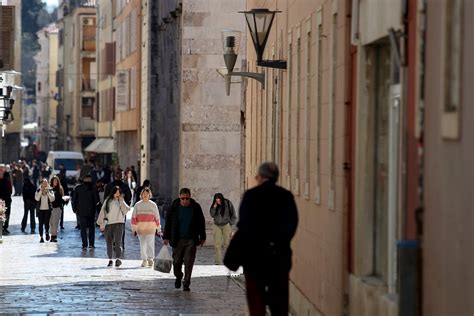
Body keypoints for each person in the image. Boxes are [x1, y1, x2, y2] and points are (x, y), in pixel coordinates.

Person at [231, 162, 298, 316]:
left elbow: (245, 225)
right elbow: (292, 224)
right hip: (279, 256)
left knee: (256, 300)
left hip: (254, 257)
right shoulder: (286, 196)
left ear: (261, 177)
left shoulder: (251, 196)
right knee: (279, 300)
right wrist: (278, 242)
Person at [163, 188, 206, 292]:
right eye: (183, 198)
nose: (185, 201)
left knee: (189, 262)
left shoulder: (196, 207)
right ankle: (179, 276)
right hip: (177, 240)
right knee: (176, 262)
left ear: (190, 197)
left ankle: (186, 283)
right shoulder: (173, 208)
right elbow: (168, 223)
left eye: (187, 198)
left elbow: (201, 222)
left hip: (191, 239)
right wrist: (166, 237)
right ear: (179, 197)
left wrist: (203, 237)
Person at [96, 186, 130, 267]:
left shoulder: (121, 200)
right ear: (113, 192)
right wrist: (101, 224)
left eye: (119, 192)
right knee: (109, 242)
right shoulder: (108, 200)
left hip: (119, 223)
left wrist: (121, 201)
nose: (117, 194)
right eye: (116, 192)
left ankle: (118, 259)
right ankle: (110, 259)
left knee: (118, 242)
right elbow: (102, 211)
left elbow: (126, 210)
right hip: (108, 224)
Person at [131, 188, 161, 267]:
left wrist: (158, 228)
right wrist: (134, 228)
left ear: (149, 195)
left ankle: (150, 259)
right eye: (144, 193)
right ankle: (144, 260)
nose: (145, 195)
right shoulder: (137, 205)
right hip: (140, 228)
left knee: (150, 244)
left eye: (147, 194)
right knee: (143, 244)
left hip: (150, 228)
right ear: (141, 195)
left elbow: (157, 217)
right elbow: (133, 217)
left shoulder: (153, 205)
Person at [72, 174, 99, 250]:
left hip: (81, 212)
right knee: (91, 228)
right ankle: (91, 244)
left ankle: (84, 244)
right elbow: (96, 201)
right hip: (91, 212)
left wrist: (74, 209)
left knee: (83, 229)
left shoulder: (78, 188)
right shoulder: (93, 188)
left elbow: (74, 200)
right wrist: (98, 211)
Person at [210, 193, 237, 265]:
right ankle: (218, 261)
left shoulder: (228, 203)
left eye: (219, 200)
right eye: (216, 201)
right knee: (217, 244)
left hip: (226, 225)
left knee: (227, 244)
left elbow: (233, 214)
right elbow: (212, 215)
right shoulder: (214, 205)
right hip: (216, 225)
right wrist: (214, 207)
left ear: (221, 199)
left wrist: (230, 224)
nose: (218, 202)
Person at [49, 176, 64, 242]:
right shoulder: (49, 189)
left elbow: (61, 199)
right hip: (50, 208)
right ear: (52, 181)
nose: (55, 182)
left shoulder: (60, 189)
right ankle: (52, 234)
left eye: (56, 181)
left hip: (57, 208)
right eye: (54, 181)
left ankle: (54, 236)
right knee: (50, 222)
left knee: (55, 223)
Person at [0, 164, 13, 235]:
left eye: (2, 169)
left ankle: (5, 228)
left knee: (7, 214)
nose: (1, 170)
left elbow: (10, 188)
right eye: (0, 169)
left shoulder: (7, 177)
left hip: (7, 199)